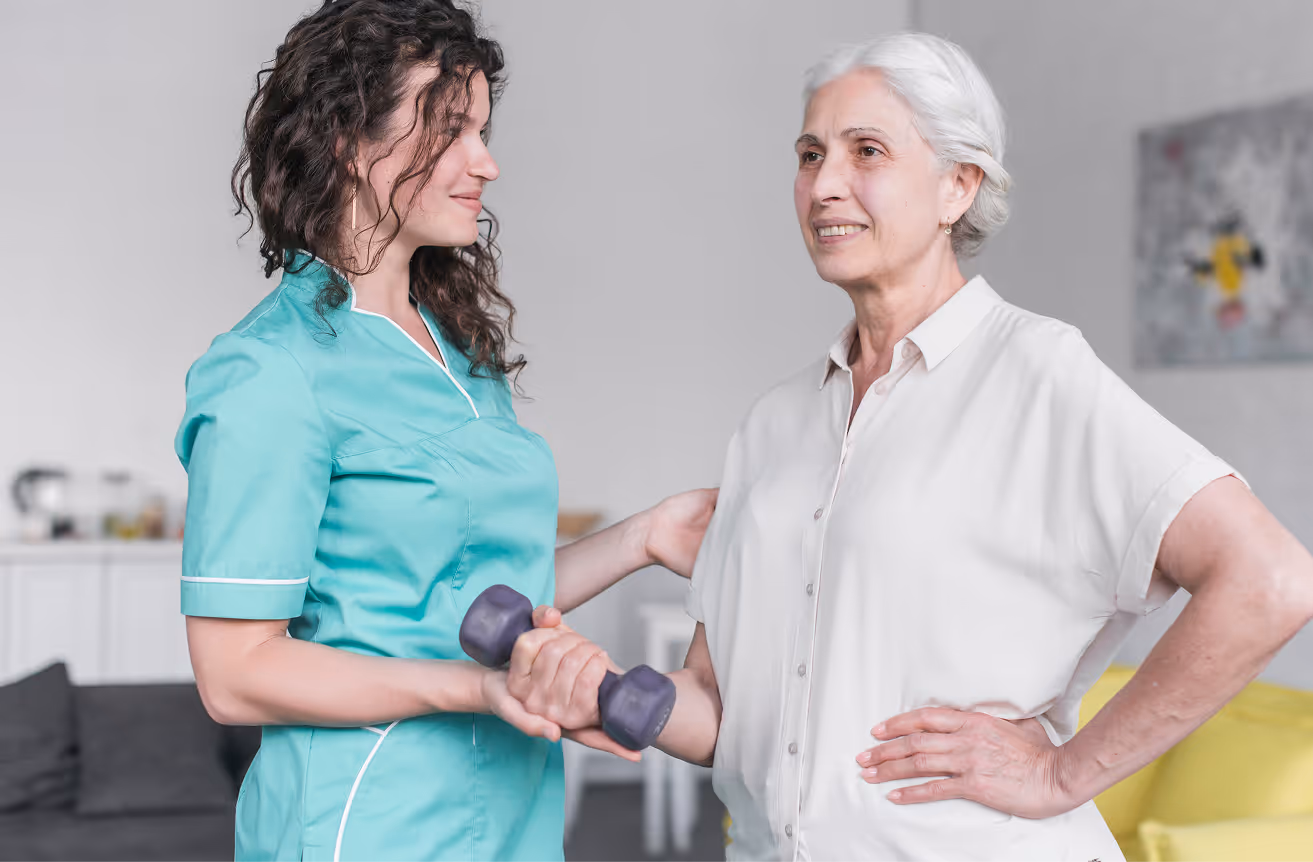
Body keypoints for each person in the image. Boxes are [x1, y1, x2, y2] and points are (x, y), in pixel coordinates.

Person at [502, 32, 1313, 861]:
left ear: (957, 186)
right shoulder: (775, 423)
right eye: (810, 153)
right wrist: (596, 690)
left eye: (867, 152)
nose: (824, 185)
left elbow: (1269, 579)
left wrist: (1062, 775)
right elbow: (722, 709)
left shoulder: (1038, 375)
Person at [176, 2, 716, 860]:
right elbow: (235, 676)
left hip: (509, 800)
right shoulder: (269, 373)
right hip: (368, 813)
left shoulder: (455, 349)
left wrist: (645, 538)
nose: (487, 163)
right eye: (452, 129)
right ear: (352, 140)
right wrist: (473, 690)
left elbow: (468, 593)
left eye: (484, 131)